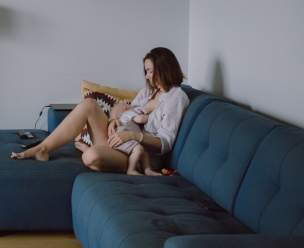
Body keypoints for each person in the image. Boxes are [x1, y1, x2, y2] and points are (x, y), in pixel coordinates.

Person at [11, 47, 189, 174]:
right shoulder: (148, 92)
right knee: (89, 104)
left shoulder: (177, 98)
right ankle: (42, 149)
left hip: (139, 156)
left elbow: (165, 142)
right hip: (118, 140)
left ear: (164, 69)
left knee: (91, 157)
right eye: (146, 71)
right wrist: (113, 120)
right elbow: (124, 112)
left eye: (150, 71)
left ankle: (95, 151)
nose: (147, 76)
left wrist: (134, 136)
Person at [113, 107, 162, 176]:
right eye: (133, 107)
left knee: (144, 153)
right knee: (139, 150)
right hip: (123, 135)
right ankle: (131, 169)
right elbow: (140, 119)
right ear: (125, 109)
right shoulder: (128, 113)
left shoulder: (121, 118)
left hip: (123, 137)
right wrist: (149, 116)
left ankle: (148, 170)